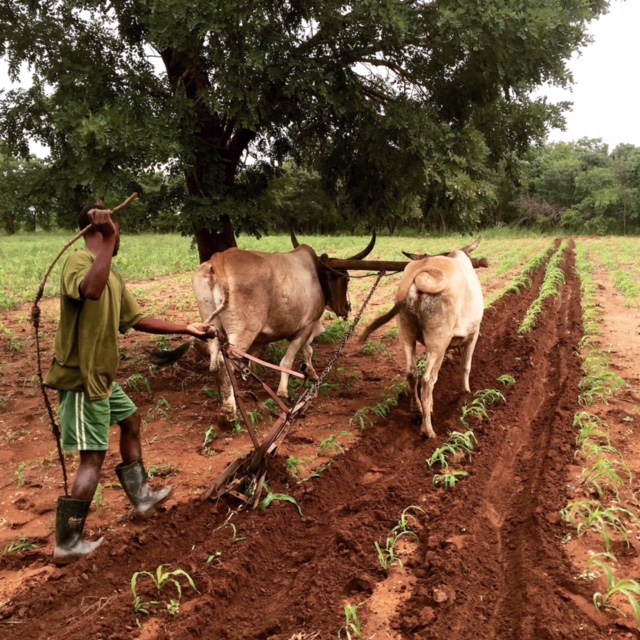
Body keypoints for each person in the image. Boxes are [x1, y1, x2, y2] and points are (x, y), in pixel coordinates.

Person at [45, 204, 216, 564]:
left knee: (131, 421)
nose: (119, 238)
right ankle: (68, 542)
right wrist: (109, 236)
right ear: (99, 231)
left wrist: (186, 328)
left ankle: (141, 497)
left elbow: (136, 319)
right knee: (93, 458)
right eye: (115, 232)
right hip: (81, 378)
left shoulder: (113, 275)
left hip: (102, 377)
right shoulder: (78, 262)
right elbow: (90, 290)